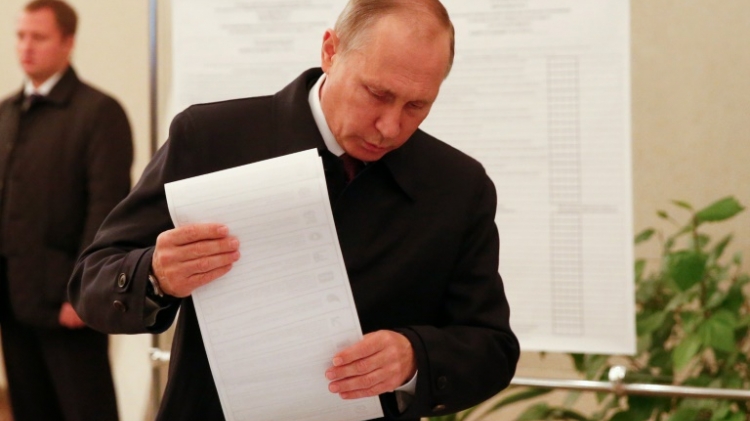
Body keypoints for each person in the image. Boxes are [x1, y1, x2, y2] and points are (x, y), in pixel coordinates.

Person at [69, 0, 519, 420]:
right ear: (330, 51)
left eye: (417, 105)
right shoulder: (210, 138)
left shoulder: (459, 187)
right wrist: (155, 274)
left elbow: (492, 348)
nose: (390, 127)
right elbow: (92, 283)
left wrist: (415, 356)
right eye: (377, 94)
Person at [0, 1, 132, 420]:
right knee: (29, 409)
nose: (25, 47)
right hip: (12, 297)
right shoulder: (5, 113)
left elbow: (106, 211)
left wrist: (82, 293)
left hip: (67, 302)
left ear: (68, 43)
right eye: (21, 36)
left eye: (38, 37)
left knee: (84, 410)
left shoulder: (98, 112)